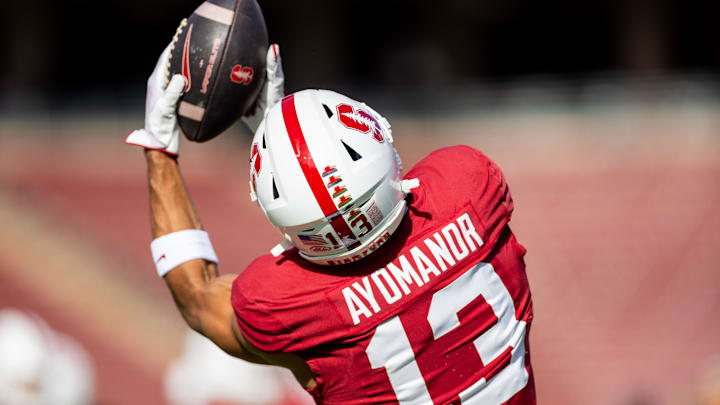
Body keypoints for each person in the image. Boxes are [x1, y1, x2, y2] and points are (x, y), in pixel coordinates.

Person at [126, 43, 536, 404]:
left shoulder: (288, 305)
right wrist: (297, 145)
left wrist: (158, 148)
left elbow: (196, 296)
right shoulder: (468, 185)